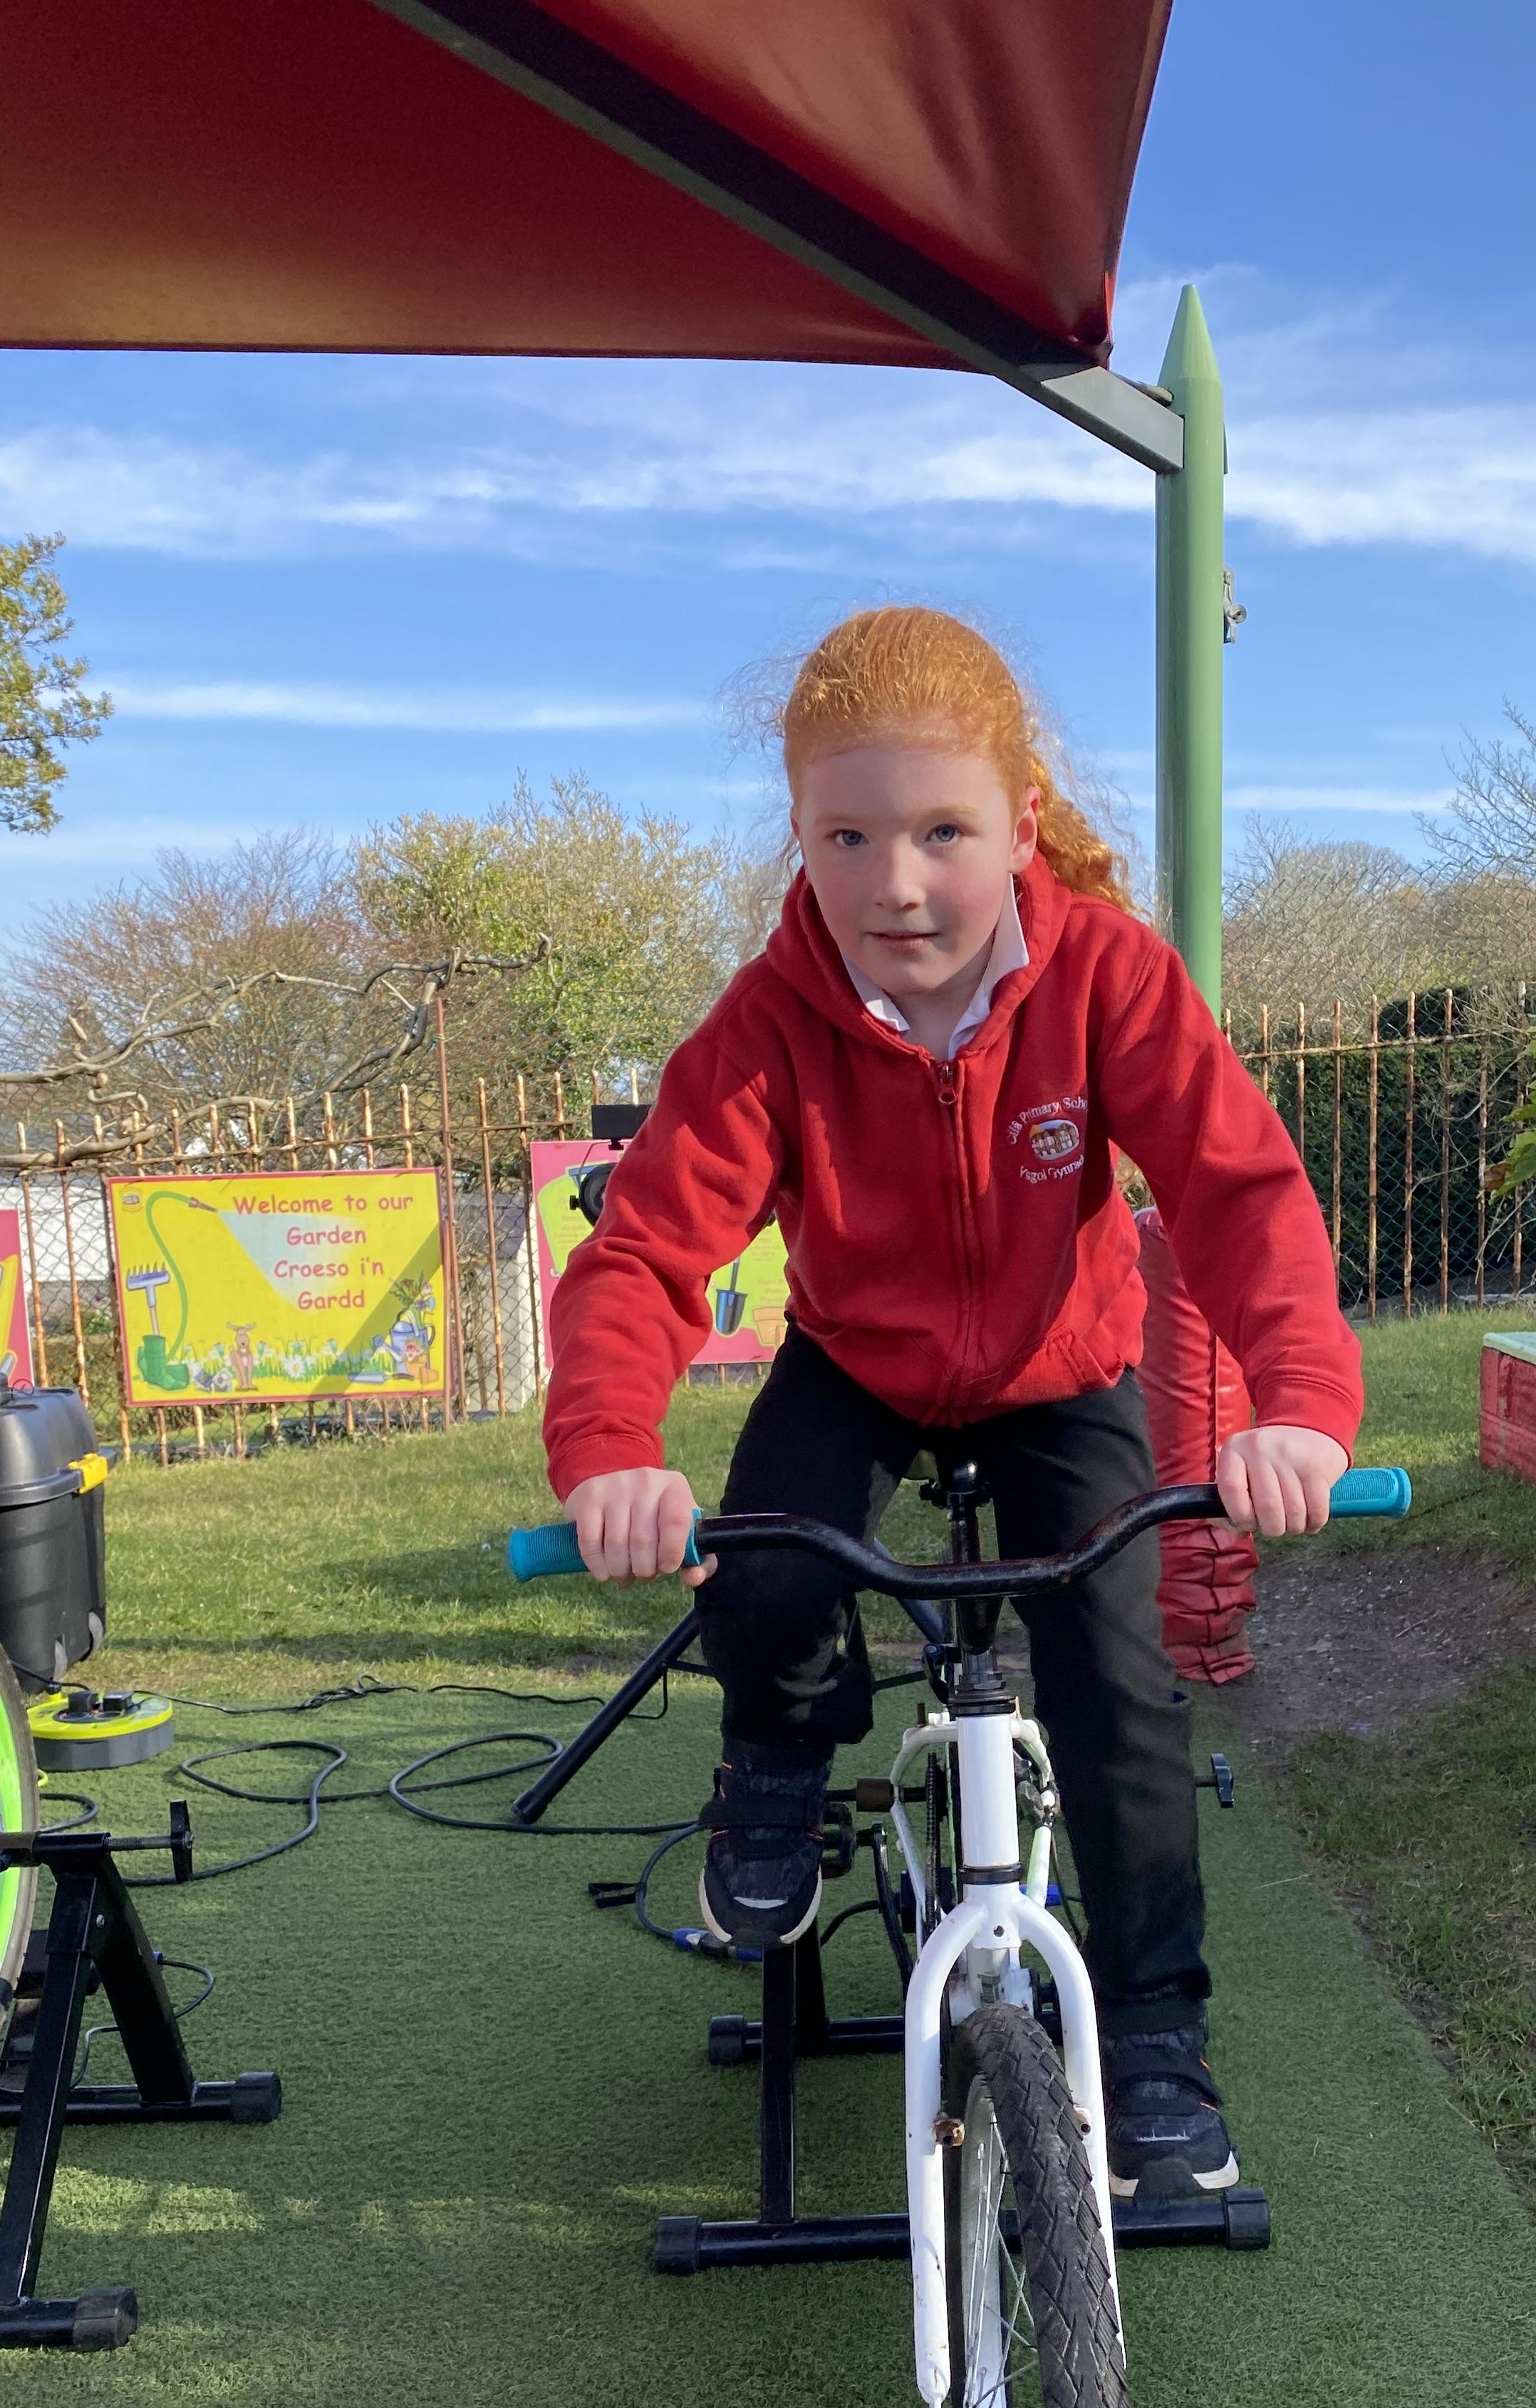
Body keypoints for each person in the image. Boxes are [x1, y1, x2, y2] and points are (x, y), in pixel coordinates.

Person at [543, 608, 1364, 2201]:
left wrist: (1303, 1406)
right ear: (799, 836)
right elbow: (644, 1251)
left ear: (1022, 827)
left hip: (1063, 1373)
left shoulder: (1108, 977)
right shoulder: (769, 1021)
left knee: (1120, 1684)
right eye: (846, 837)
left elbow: (1240, 1193)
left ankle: (1153, 2032)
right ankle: (775, 1768)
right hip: (857, 1360)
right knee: (764, 1574)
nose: (894, 883)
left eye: (941, 833)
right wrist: (610, 1453)